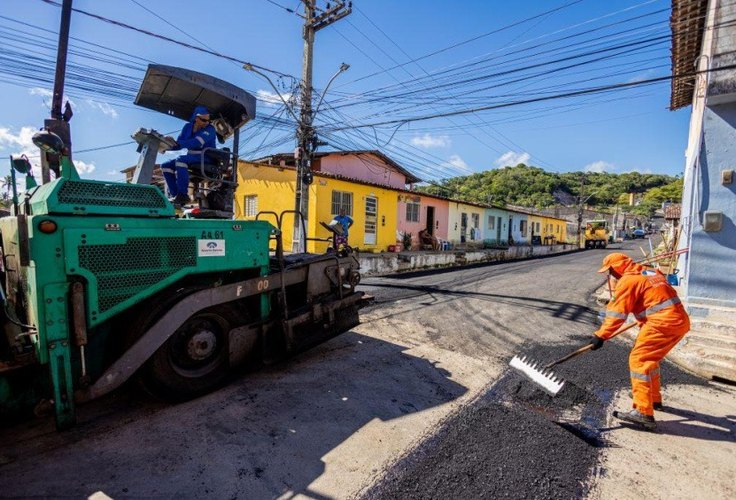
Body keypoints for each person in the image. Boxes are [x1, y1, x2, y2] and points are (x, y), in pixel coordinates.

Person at [590, 252, 690, 431]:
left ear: (616, 268)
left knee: (639, 360)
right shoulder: (650, 272)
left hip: (662, 324)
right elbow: (655, 298)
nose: (610, 275)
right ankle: (652, 398)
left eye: (610, 271)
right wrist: (645, 314)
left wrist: (600, 336)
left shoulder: (628, 282)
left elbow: (616, 315)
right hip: (679, 321)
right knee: (650, 360)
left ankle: (643, 412)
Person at [161, 106, 216, 206]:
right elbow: (178, 145)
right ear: (196, 118)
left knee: (181, 160)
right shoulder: (187, 127)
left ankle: (183, 194)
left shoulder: (210, 129)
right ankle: (176, 196)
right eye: (204, 120)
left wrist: (177, 143)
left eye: (208, 120)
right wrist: (167, 145)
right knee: (165, 166)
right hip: (191, 157)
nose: (207, 122)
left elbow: (196, 143)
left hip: (205, 157)